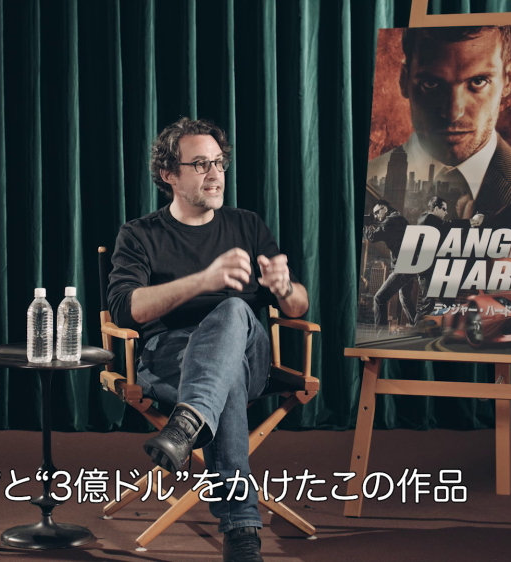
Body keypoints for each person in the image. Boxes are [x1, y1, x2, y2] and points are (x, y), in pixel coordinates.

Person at [107, 117, 309, 562]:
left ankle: (187, 424)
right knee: (224, 377)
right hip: (169, 358)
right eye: (200, 164)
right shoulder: (139, 234)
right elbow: (124, 308)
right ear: (168, 174)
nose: (215, 174)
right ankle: (242, 530)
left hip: (249, 353)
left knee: (234, 310)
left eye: (219, 163)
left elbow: (298, 306)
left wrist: (284, 288)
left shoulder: (247, 225)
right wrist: (203, 280)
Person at [366, 25, 511, 291]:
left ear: (509, 77)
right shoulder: (361, 188)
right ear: (403, 79)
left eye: (478, 81)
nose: (453, 112)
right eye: (431, 83)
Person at [365, 200, 416, 330]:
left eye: (377, 212)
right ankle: (419, 327)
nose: (376, 216)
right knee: (405, 299)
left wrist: (366, 226)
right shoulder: (400, 219)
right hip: (410, 265)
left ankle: (380, 333)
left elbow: (373, 237)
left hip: (403, 266)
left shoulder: (390, 221)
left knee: (379, 298)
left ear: (385, 209)